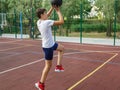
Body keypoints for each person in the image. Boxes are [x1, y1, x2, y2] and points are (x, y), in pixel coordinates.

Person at [35, 6, 64, 90]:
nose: (47, 14)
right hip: (48, 47)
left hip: (50, 44)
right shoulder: (46, 22)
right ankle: (40, 84)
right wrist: (58, 11)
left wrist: (52, 8)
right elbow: (61, 21)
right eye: (45, 13)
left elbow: (47, 15)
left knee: (62, 48)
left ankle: (58, 66)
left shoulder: (39, 21)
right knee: (48, 66)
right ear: (41, 15)